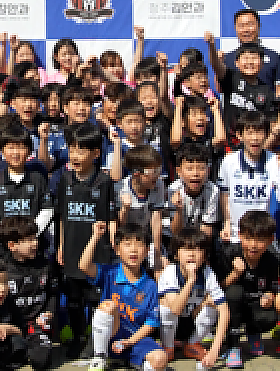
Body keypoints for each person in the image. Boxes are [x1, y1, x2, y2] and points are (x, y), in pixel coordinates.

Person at [52, 121, 115, 358]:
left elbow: (110, 218)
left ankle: (95, 341)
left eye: (81, 150)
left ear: (96, 154)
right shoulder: (64, 179)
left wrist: (112, 244)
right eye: (72, 149)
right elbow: (61, 216)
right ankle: (78, 337)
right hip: (70, 249)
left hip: (96, 253)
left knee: (95, 299)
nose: (75, 155)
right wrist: (60, 245)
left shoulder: (104, 181)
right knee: (74, 299)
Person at [79, 221, 168, 371]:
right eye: (127, 244)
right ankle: (100, 357)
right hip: (108, 338)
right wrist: (95, 237)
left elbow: (151, 323)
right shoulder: (109, 273)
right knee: (108, 305)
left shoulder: (151, 285)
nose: (133, 250)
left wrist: (129, 341)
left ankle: (137, 363)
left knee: (161, 359)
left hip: (134, 338)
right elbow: (84, 266)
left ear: (147, 251)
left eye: (139, 245)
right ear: (117, 249)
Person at [213, 210, 280, 367]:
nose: (253, 245)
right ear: (240, 235)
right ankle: (233, 346)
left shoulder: (272, 259)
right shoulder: (228, 253)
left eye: (260, 240)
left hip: (254, 305)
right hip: (229, 307)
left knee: (270, 316)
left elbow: (271, 288)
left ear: (270, 240)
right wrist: (235, 274)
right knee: (234, 293)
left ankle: (254, 333)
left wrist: (269, 296)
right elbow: (217, 288)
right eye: (248, 238)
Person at [156, 227, 229, 366]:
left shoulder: (207, 272)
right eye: (186, 249)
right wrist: (190, 281)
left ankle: (192, 344)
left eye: (198, 249)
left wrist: (214, 350)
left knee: (213, 304)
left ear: (205, 255)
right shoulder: (170, 271)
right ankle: (168, 347)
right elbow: (175, 310)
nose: (191, 254)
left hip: (191, 322)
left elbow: (224, 310)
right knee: (165, 305)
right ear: (176, 255)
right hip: (169, 326)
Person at [216, 111, 280, 244]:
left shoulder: (274, 160)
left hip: (262, 234)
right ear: (239, 135)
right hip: (236, 234)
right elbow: (225, 194)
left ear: (267, 134)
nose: (255, 138)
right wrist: (226, 222)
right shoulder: (229, 161)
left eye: (259, 132)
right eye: (249, 133)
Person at [0, 216, 59, 370]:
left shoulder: (45, 265)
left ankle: (32, 348)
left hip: (37, 326)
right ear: (12, 245)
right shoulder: (1, 269)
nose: (35, 243)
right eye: (29, 240)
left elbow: (52, 294)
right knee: (9, 361)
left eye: (35, 238)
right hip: (11, 328)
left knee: (42, 362)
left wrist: (49, 313)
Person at [223, 9, 280, 85]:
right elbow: (220, 88)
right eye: (241, 26)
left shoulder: (273, 56)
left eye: (250, 25)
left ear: (259, 26)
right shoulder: (227, 59)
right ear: (235, 28)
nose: (246, 30)